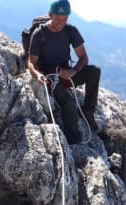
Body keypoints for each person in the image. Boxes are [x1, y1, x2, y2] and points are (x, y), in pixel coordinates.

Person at [27, 0, 101, 144]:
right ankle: (73, 136)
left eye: (65, 19)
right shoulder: (39, 34)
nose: (61, 22)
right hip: (51, 79)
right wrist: (38, 75)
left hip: (67, 75)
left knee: (94, 71)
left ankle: (88, 110)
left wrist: (74, 70)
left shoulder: (70, 30)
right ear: (50, 15)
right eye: (58, 18)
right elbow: (31, 62)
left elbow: (83, 57)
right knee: (69, 103)